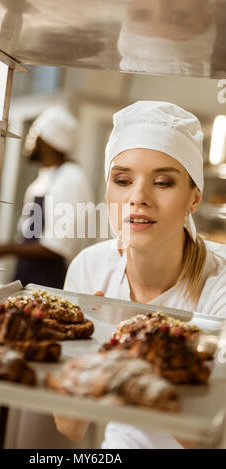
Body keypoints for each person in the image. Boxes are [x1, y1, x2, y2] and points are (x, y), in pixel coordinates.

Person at [54, 100, 226, 449]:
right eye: (122, 180)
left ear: (194, 198)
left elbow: (202, 436)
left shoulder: (218, 282)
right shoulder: (90, 268)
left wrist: (119, 349)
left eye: (162, 182)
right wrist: (93, 347)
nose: (138, 197)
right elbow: (69, 426)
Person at [0, 104, 93, 289]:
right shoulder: (45, 178)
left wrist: (4, 248)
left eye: (33, 134)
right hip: (28, 274)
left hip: (50, 281)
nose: (28, 140)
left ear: (47, 140)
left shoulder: (71, 178)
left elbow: (58, 247)